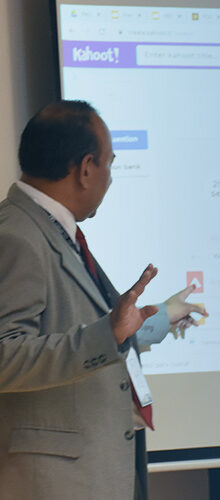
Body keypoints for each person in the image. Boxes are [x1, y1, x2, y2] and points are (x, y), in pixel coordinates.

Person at [0, 100, 207, 500]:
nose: (110, 178)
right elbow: (5, 356)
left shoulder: (52, 229)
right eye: (110, 163)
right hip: (56, 485)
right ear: (86, 168)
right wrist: (106, 334)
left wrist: (161, 317)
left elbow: (80, 328)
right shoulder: (16, 236)